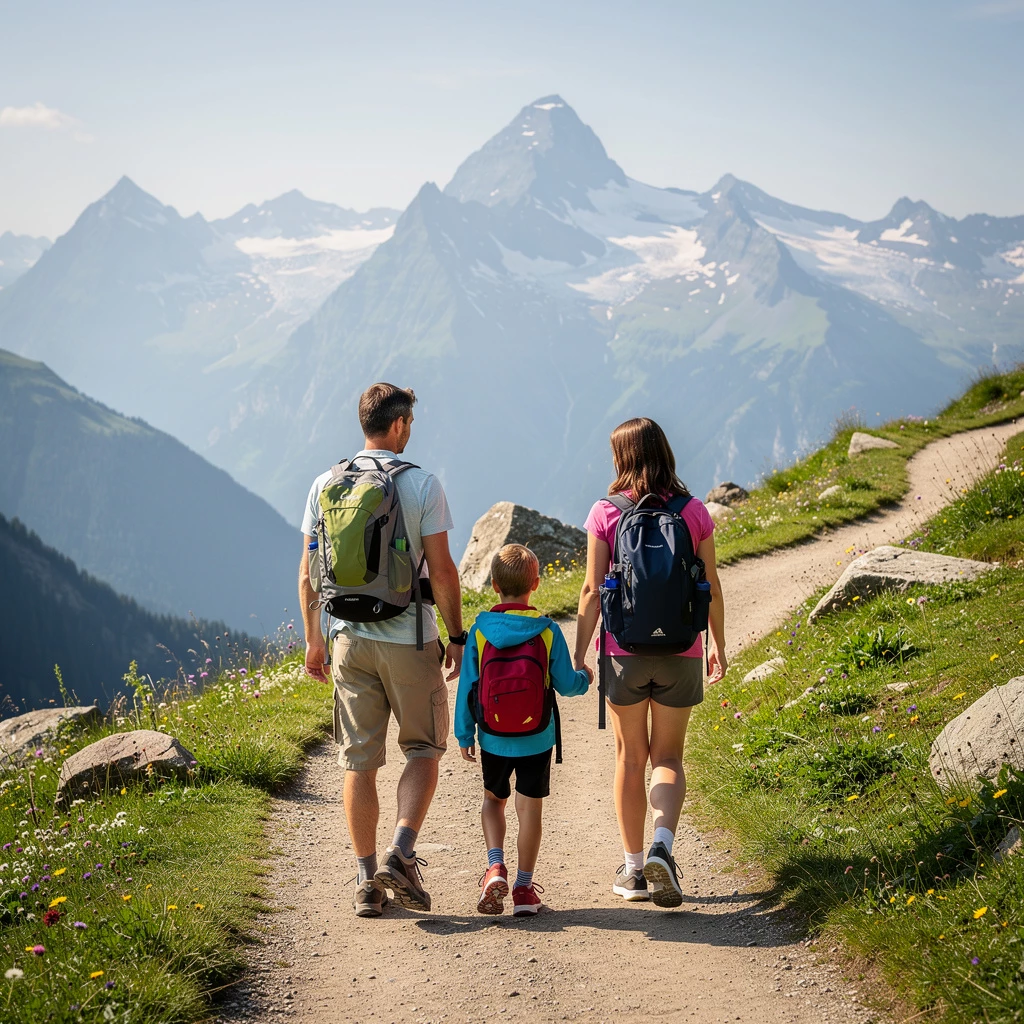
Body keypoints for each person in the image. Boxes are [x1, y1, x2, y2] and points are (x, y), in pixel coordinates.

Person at [298, 383, 466, 918]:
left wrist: (314, 640)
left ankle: (366, 880)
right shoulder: (421, 484)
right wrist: (457, 635)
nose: (410, 431)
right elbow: (442, 571)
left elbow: (308, 572)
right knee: (424, 749)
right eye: (409, 423)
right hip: (409, 637)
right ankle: (402, 851)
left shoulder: (325, 483)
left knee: (359, 761)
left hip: (347, 639)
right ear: (398, 425)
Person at [573, 417, 727, 908]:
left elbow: (591, 590)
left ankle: (634, 869)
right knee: (669, 759)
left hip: (624, 653)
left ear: (621, 457)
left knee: (630, 758)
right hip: (682, 650)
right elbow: (710, 585)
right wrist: (718, 643)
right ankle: (664, 845)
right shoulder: (693, 511)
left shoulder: (605, 512)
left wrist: (579, 651)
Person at [455, 545, 591, 916]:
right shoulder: (547, 631)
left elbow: (468, 687)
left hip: (493, 736)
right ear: (536, 584)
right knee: (529, 808)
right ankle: (524, 889)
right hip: (537, 736)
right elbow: (567, 685)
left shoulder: (480, 631)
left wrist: (464, 735)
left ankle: (494, 866)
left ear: (494, 585)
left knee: (492, 800)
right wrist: (585, 677)